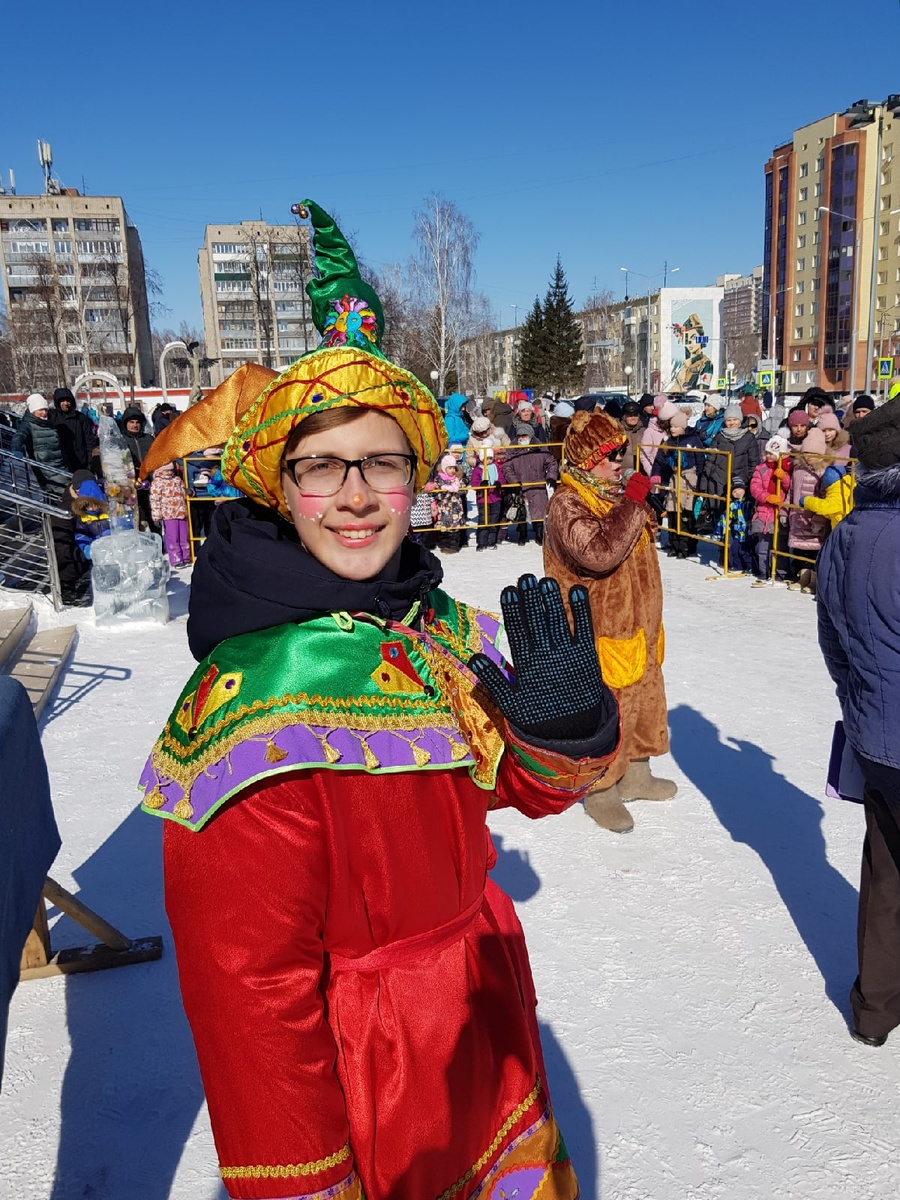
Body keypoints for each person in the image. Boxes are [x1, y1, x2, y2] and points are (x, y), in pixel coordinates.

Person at [137, 199, 619, 1199]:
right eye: (322, 466)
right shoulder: (253, 700)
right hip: (371, 1085)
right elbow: (247, 994)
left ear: (416, 482)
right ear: (278, 483)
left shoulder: (430, 625)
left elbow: (512, 791)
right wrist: (305, 1181)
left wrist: (560, 729)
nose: (356, 494)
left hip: (481, 1025)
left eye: (384, 462)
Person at [543, 408, 674, 834]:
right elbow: (598, 554)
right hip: (598, 628)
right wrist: (634, 503)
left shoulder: (613, 494)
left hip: (638, 623)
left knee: (645, 696)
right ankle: (600, 788)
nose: (620, 461)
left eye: (622, 452)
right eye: (610, 454)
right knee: (608, 708)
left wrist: (638, 506)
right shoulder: (567, 503)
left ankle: (636, 774)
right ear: (585, 459)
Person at [816, 394, 900, 1047]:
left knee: (886, 868)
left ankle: (875, 1010)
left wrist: (860, 698)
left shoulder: (846, 535)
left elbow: (832, 637)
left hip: (874, 735)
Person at [656, 409, 704, 559]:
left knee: (686, 512)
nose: (672, 429)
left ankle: (686, 545)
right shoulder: (668, 441)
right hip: (674, 479)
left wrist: (701, 481)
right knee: (672, 510)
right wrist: (665, 455)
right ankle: (674, 544)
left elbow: (700, 460)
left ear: (683, 427)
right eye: (671, 427)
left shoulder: (693, 440)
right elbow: (661, 461)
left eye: (676, 427)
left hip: (689, 479)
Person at [501, 423, 559, 546]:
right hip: (520, 485)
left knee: (539, 512)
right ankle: (522, 534)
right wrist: (514, 481)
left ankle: (539, 534)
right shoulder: (512, 450)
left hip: (538, 485)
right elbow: (507, 467)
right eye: (519, 436)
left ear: (530, 436)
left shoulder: (541, 449)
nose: (521, 439)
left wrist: (551, 477)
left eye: (524, 436)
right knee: (522, 511)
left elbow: (552, 463)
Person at [786, 429, 829, 593]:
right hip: (797, 516)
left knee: (814, 550)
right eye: (806, 452)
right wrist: (785, 511)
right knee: (801, 549)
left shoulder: (822, 471)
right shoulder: (798, 469)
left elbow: (824, 497)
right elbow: (791, 491)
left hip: (812, 520)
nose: (809, 456)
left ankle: (813, 580)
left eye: (813, 453)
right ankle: (802, 577)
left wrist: (819, 520)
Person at [749, 436, 792, 584]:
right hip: (763, 513)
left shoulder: (786, 469)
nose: (768, 456)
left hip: (779, 514)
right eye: (767, 453)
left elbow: (790, 488)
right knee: (763, 546)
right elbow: (755, 487)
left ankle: (781, 572)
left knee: (780, 547)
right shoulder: (761, 469)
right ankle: (763, 571)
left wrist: (784, 478)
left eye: (772, 453)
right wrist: (767, 497)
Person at [12, 394, 70, 503]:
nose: (44, 413)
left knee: (65, 491)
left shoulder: (48, 422)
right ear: (33, 410)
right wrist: (17, 448)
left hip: (59, 464)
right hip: (45, 466)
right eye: (40, 410)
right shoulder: (28, 425)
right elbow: (19, 436)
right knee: (63, 492)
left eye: (45, 409)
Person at [699, 404, 760, 505]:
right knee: (719, 514)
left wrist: (746, 480)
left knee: (737, 514)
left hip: (740, 482)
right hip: (718, 482)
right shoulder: (719, 437)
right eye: (729, 420)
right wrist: (703, 485)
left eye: (735, 419)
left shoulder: (749, 438)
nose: (732, 423)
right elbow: (710, 461)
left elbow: (753, 462)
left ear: (740, 420)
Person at [119, 406, 157, 532]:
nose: (135, 425)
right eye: (131, 422)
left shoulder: (148, 439)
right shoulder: (121, 440)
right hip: (129, 482)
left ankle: (158, 539)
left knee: (152, 512)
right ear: (125, 423)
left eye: (137, 422)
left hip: (148, 480)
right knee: (133, 514)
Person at [149, 461, 191, 568]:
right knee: (173, 537)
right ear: (160, 471)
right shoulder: (157, 482)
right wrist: (157, 516)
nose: (169, 472)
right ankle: (176, 559)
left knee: (184, 536)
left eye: (171, 470)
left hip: (181, 511)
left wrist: (188, 492)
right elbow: (155, 500)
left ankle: (186, 557)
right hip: (169, 514)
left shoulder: (177, 480)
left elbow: (183, 491)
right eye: (166, 470)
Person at [423, 452, 466, 553]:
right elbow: (436, 494)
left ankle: (453, 546)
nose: (452, 471)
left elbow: (463, 489)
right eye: (449, 468)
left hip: (455, 508)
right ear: (444, 468)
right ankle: (444, 544)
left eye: (453, 468)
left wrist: (458, 488)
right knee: (444, 527)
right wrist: (443, 491)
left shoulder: (457, 479)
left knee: (455, 528)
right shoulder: (439, 480)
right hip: (444, 508)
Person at [51, 387, 99, 475]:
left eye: (68, 400)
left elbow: (89, 440)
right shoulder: (52, 417)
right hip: (62, 461)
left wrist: (89, 461)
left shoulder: (80, 418)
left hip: (81, 461)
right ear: (57, 402)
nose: (66, 403)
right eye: (62, 401)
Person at [714, 476, 753, 574]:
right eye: (734, 492)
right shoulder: (732, 505)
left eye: (740, 490)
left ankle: (750, 567)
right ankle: (737, 566)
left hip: (748, 533)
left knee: (745, 552)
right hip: (737, 533)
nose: (738, 493)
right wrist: (718, 532)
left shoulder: (749, 502)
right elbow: (725, 518)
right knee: (734, 550)